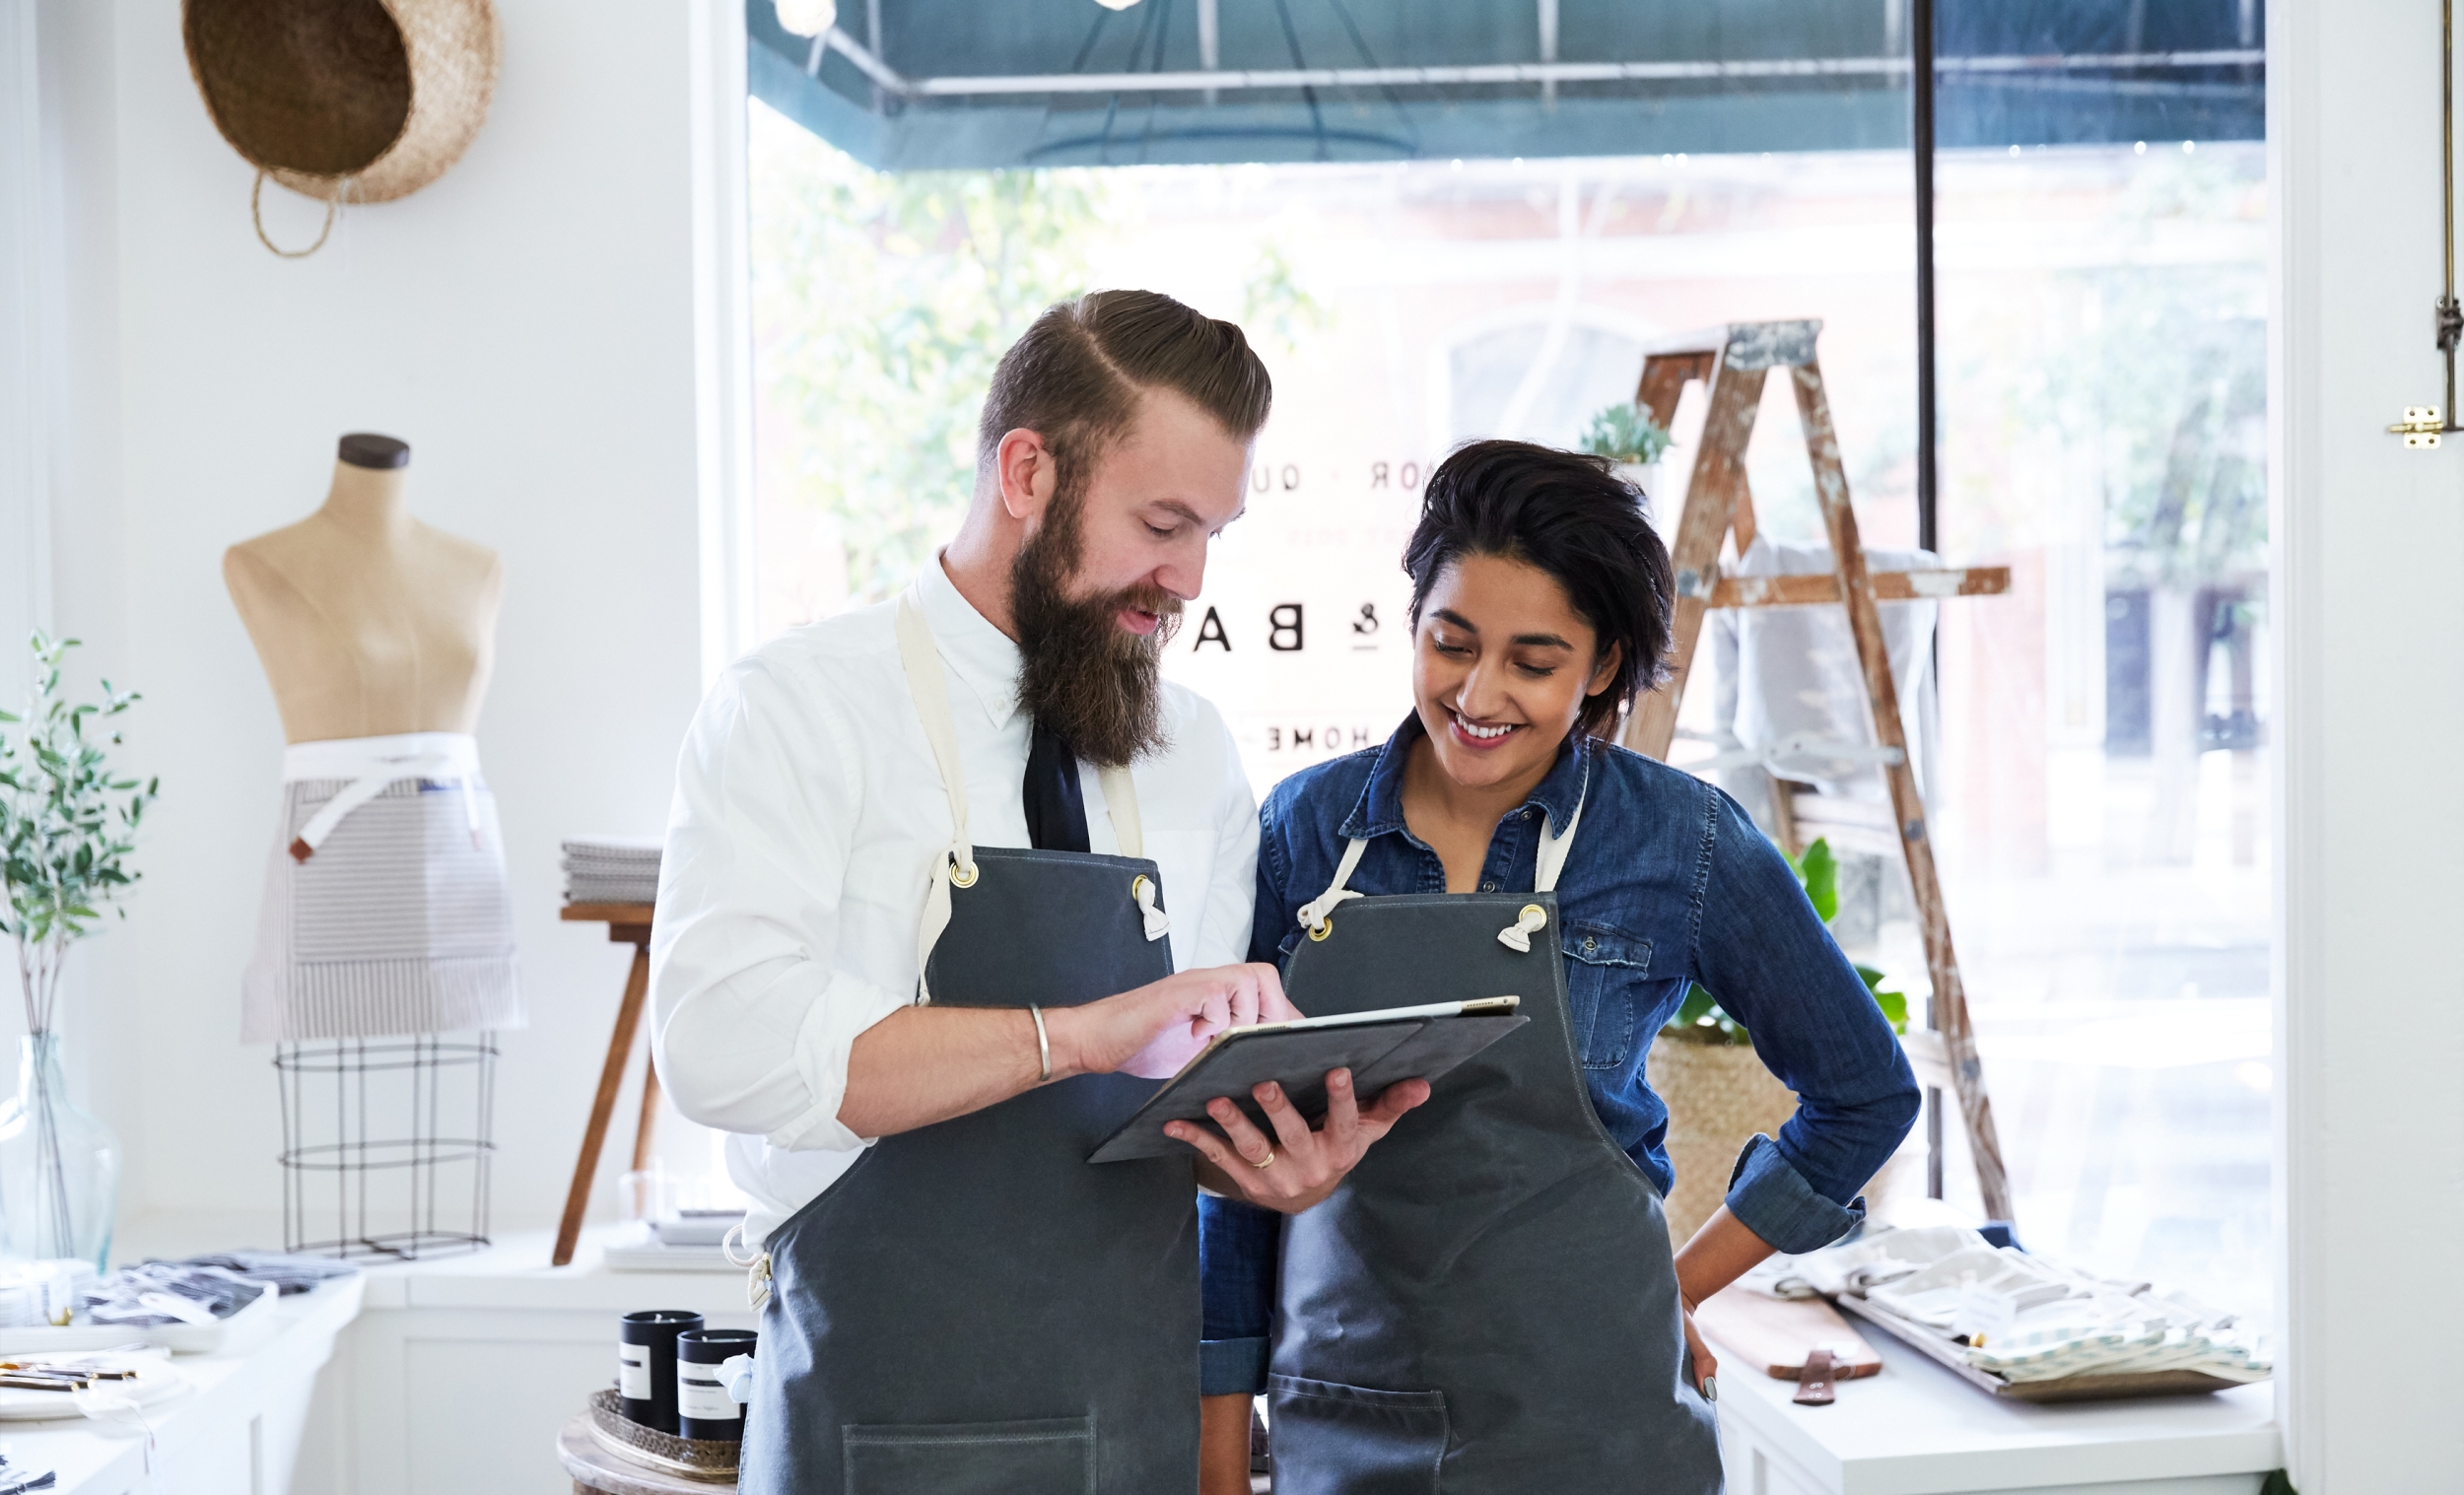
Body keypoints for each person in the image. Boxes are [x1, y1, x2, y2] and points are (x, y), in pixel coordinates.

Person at [650, 291, 1426, 1495]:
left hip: (1132, 1425)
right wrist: (1075, 1032)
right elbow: (724, 1049)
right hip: (877, 1419)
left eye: (1213, 531)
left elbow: (1175, 1103)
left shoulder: (1196, 751)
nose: (1190, 577)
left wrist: (1272, 1162)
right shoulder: (797, 709)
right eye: (1163, 522)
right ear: (1025, 471)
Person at [1190, 440, 1922, 1494]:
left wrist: (1671, 1285)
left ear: (1603, 666)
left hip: (1600, 1428)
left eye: (1533, 662)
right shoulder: (1305, 828)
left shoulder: (1683, 841)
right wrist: (1219, 1460)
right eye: (1451, 643)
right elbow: (1235, 1161)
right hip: (1342, 1423)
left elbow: (1865, 1093)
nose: (1479, 693)